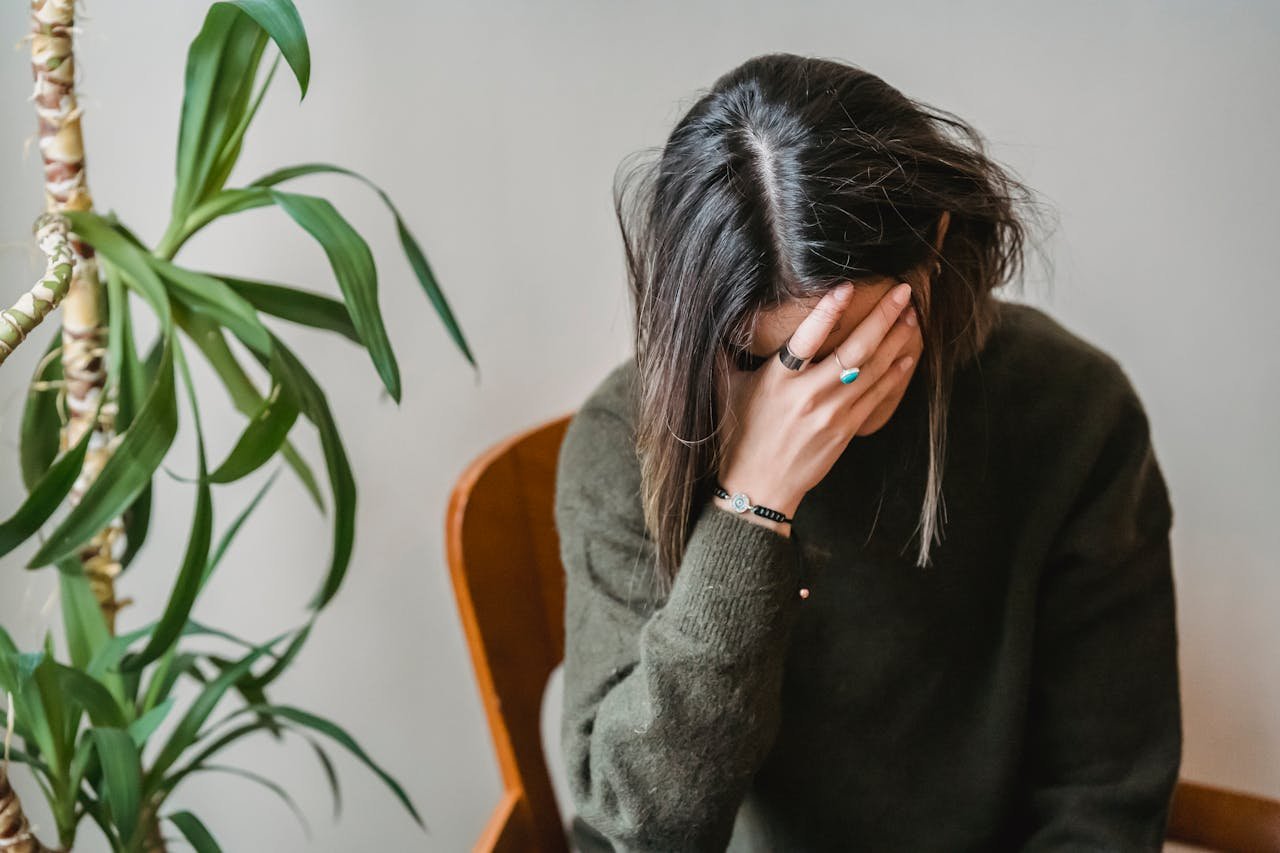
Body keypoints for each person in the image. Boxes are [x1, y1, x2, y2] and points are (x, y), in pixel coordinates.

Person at [555, 52, 1180, 852]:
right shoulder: (623, 441)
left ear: (937, 245)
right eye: (760, 357)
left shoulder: (1074, 413)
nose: (813, 397)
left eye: (850, 346)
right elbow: (636, 830)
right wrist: (753, 507)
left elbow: (1105, 797)